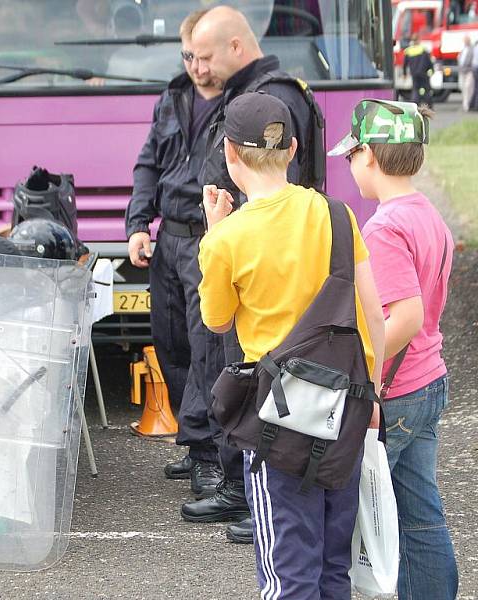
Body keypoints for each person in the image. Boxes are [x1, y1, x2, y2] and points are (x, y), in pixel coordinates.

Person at [198, 92, 385, 598]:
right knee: (331, 567)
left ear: (230, 154)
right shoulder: (339, 214)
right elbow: (373, 317)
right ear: (295, 147)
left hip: (277, 419)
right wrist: (374, 395)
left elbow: (216, 322)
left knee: (287, 573)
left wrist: (215, 233)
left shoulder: (227, 238)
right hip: (345, 406)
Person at [181, 6, 319, 540]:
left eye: (206, 55)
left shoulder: (271, 95)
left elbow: (216, 322)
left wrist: (221, 233)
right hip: (259, 248)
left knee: (263, 388)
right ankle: (246, 492)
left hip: (261, 259)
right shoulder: (264, 93)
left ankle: (257, 502)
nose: (199, 67)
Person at [329, 99, 459, 599]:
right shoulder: (429, 215)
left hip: (397, 391)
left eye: (351, 156)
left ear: (369, 157)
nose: (350, 166)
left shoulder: (383, 228)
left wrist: (365, 370)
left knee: (360, 509)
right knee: (420, 512)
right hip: (429, 379)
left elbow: (402, 316)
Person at [126, 9, 226, 500]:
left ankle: (210, 456)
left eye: (204, 58)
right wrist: (137, 224)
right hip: (167, 240)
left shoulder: (243, 102)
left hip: (211, 240)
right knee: (172, 345)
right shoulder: (172, 96)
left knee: (207, 348)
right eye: (188, 56)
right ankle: (196, 444)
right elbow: (148, 163)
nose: (197, 68)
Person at [404, 33, 435, 107]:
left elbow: (405, 65)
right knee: (427, 90)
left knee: (415, 90)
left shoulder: (408, 51)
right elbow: (429, 62)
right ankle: (429, 106)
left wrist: (404, 73)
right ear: (418, 40)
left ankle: (415, 105)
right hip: (424, 74)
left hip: (414, 74)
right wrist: (431, 70)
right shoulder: (423, 50)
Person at [458, 35, 474, 112]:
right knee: (463, 87)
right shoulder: (463, 49)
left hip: (469, 70)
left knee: (468, 87)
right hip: (462, 71)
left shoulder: (472, 49)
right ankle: (465, 104)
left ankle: (468, 104)